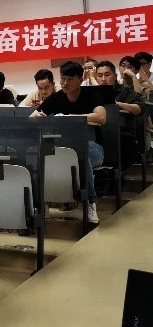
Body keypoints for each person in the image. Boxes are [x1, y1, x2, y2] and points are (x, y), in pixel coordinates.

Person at [30, 61, 106, 224]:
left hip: (94, 149)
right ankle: (41, 203)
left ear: (80, 80)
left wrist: (70, 118)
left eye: (70, 79)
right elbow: (32, 117)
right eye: (63, 78)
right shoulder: (57, 97)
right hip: (64, 148)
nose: (65, 83)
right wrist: (39, 118)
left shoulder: (91, 95)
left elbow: (101, 117)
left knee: (80, 152)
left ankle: (90, 202)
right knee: (39, 154)